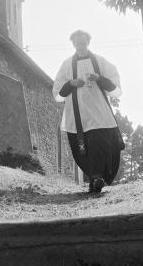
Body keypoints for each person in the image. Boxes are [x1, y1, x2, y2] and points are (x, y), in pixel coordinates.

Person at [53, 29, 122, 193]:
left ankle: (99, 178)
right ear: (73, 44)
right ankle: (95, 178)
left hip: (99, 115)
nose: (80, 46)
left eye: (83, 43)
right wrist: (70, 83)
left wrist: (99, 78)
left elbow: (116, 86)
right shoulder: (67, 64)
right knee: (83, 150)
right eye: (77, 44)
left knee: (103, 145)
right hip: (78, 116)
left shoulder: (100, 61)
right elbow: (57, 92)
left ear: (88, 43)